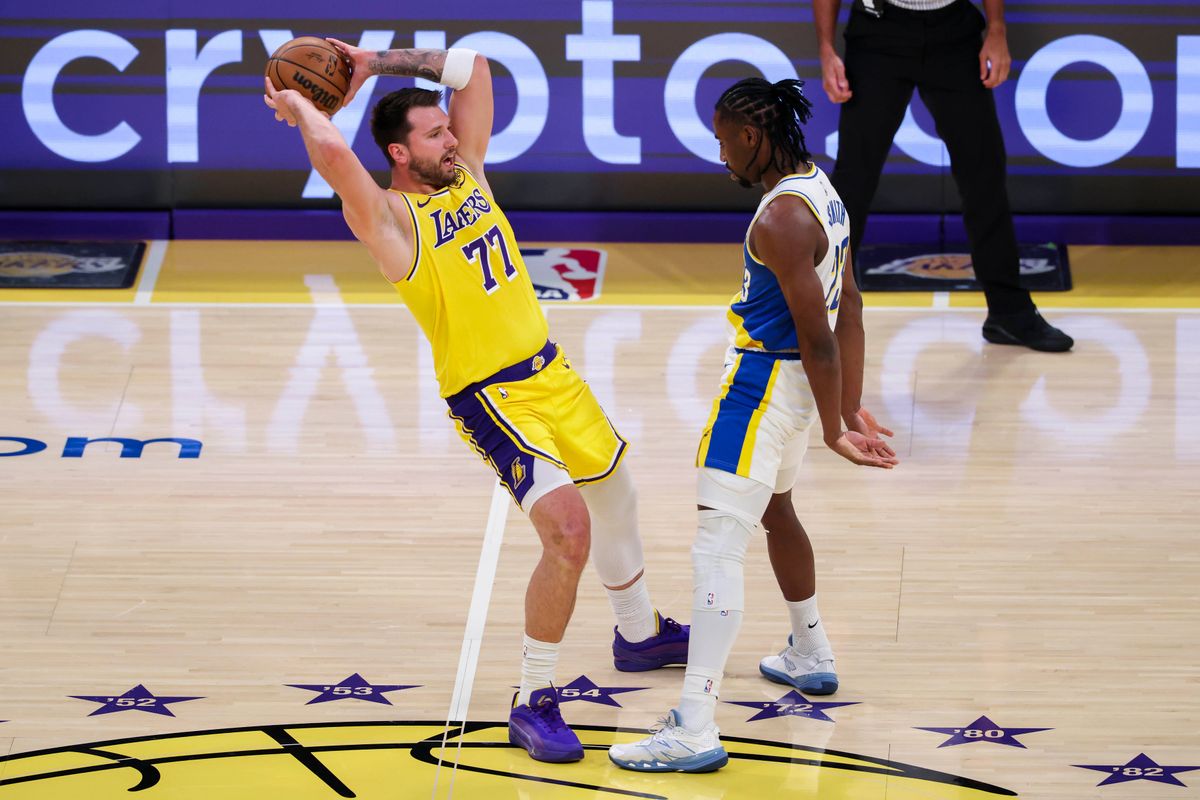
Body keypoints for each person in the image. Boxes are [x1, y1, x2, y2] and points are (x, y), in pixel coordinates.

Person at [263, 43, 688, 764]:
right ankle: (532, 699)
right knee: (569, 534)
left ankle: (639, 633)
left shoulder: (470, 177)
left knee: (618, 492)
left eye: (448, 129)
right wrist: (302, 103)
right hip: (491, 397)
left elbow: (478, 68)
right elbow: (334, 158)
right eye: (435, 134)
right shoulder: (392, 222)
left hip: (553, 372)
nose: (452, 139)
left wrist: (371, 62)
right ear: (400, 153)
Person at [609, 77, 898, 774]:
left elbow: (820, 337)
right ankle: (810, 650)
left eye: (722, 141)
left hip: (762, 390)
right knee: (777, 510)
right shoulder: (822, 191)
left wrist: (836, 428)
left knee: (716, 548)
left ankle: (694, 725)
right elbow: (851, 305)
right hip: (794, 394)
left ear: (749, 136)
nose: (720, 155)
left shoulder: (780, 220)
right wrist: (846, 404)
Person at [814, 0, 1073, 352]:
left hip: (954, 31)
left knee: (984, 175)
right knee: (852, 181)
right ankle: (819, 317)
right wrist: (826, 48)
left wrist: (997, 28)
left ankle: (1009, 313)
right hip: (878, 32)